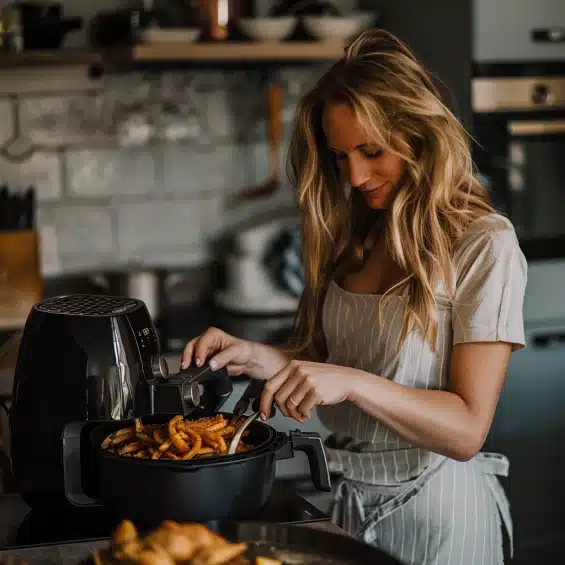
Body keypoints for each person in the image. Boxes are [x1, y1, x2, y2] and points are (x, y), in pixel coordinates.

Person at [182, 29, 527, 565]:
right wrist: (262, 358)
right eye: (341, 156)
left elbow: (466, 430)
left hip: (442, 516)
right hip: (348, 509)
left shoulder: (484, 243)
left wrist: (350, 382)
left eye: (372, 151)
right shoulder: (358, 233)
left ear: (420, 133)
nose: (356, 175)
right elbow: (337, 366)